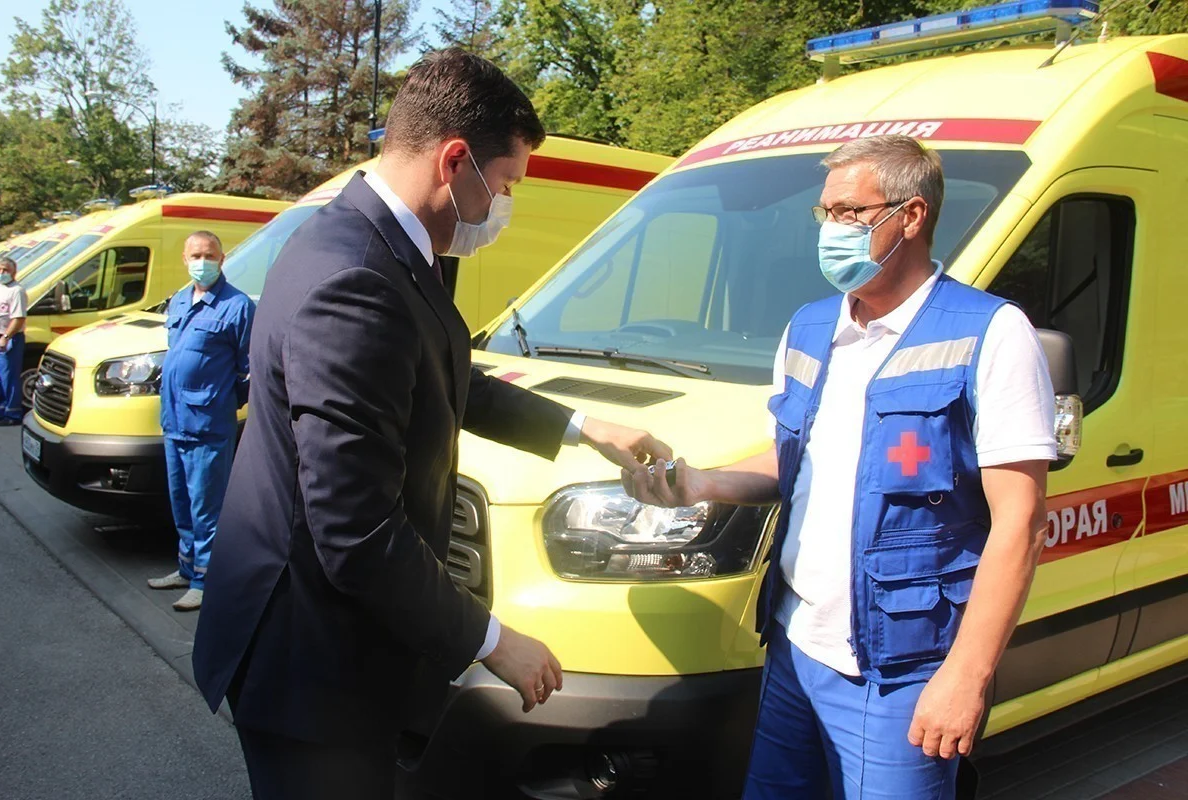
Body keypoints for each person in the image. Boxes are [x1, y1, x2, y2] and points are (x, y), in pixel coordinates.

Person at [192, 48, 672, 800]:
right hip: (310, 666)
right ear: (454, 161)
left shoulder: (374, 243)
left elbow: (439, 372)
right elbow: (353, 528)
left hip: (337, 650)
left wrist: (585, 427)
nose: (503, 206)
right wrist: (490, 639)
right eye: (505, 184)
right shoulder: (356, 279)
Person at [624, 135, 1055, 799]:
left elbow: (1020, 523)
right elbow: (795, 459)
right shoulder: (810, 328)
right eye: (825, 212)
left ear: (911, 216)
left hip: (903, 667)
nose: (832, 230)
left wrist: (966, 676)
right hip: (795, 646)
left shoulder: (990, 333)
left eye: (851, 212)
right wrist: (700, 483)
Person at [146, 231, 254, 613]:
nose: (202, 262)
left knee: (207, 508)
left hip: (208, 425)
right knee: (181, 503)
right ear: (184, 258)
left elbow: (250, 369)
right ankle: (187, 568)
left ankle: (206, 582)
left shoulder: (237, 306)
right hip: (174, 421)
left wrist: (221, 402)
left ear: (222, 259)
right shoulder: (178, 300)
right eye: (196, 255)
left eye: (209, 255)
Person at [0, 256, 26, 427]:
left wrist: (6, 337)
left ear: (14, 271)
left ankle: (13, 413)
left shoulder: (17, 291)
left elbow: (18, 318)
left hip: (8, 339)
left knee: (8, 379)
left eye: (6, 270)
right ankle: (1, 410)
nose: (2, 273)